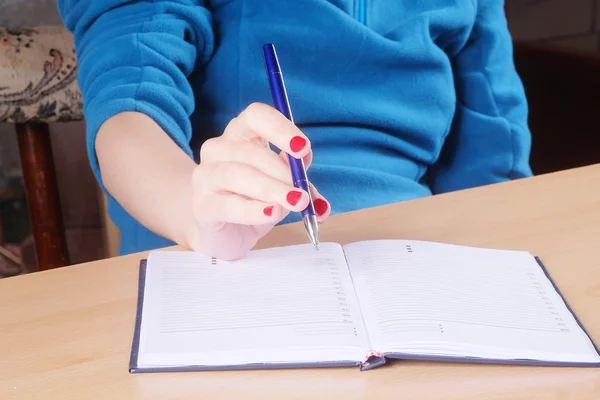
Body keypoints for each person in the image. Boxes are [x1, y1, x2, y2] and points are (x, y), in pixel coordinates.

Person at [58, 0, 532, 260]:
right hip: (221, 262)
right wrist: (192, 210)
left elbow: (494, 159)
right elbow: (129, 109)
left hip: (414, 266)